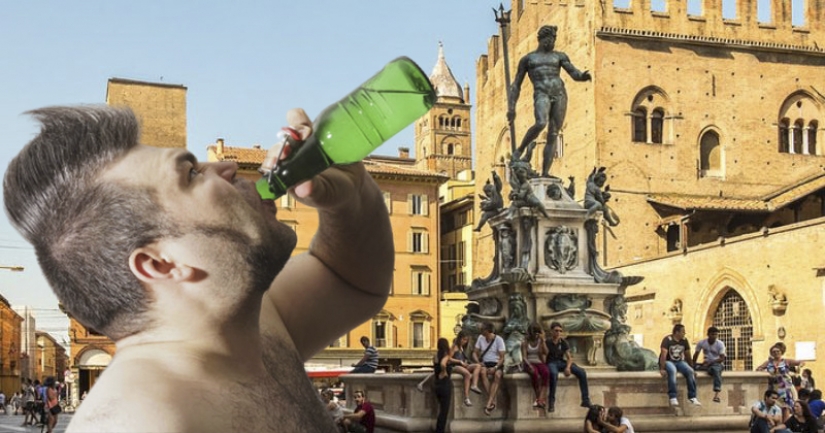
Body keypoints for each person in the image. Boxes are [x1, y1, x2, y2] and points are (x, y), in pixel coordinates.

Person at [3, 106, 393, 433]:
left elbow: (350, 279)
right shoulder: (142, 422)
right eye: (191, 173)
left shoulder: (252, 326)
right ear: (160, 263)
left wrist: (352, 195)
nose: (226, 165)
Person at [507, 25, 592, 178]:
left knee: (553, 133)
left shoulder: (559, 56)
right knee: (541, 122)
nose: (552, 42)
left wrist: (582, 76)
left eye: (554, 39)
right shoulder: (528, 59)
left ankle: (545, 172)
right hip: (541, 94)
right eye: (550, 38)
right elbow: (516, 85)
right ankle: (520, 149)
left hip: (560, 94)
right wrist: (512, 107)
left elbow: (573, 72)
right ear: (542, 39)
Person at [416, 330, 477, 407]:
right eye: (464, 339)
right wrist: (459, 362)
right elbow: (449, 358)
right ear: (460, 338)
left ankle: (422, 383)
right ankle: (466, 397)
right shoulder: (454, 347)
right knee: (466, 374)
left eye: (466, 340)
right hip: (454, 366)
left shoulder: (461, 348)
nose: (465, 341)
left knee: (436, 372)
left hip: (451, 368)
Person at [545, 321, 590, 412]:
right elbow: (543, 356)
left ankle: (585, 400)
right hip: (551, 362)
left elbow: (569, 358)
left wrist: (568, 367)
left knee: (581, 372)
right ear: (551, 331)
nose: (558, 333)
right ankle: (551, 401)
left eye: (560, 331)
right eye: (556, 331)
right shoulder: (547, 342)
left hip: (561, 362)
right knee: (553, 375)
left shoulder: (563, 342)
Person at [659, 323, 700, 406]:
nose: (684, 333)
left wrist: (692, 368)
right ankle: (673, 396)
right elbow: (663, 355)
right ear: (677, 332)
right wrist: (662, 368)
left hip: (680, 361)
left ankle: (692, 397)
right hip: (668, 361)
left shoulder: (684, 340)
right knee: (672, 371)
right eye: (683, 332)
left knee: (689, 371)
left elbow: (688, 356)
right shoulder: (667, 339)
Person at [757, 343, 804, 415]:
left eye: (778, 351)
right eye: (774, 352)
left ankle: (786, 424)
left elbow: (801, 362)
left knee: (785, 407)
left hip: (785, 386)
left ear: (781, 351)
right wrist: (765, 371)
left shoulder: (786, 361)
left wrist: (799, 366)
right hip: (773, 386)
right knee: (774, 406)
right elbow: (758, 369)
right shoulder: (768, 362)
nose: (776, 353)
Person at [471, 322, 506, 416]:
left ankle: (489, 403)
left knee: (498, 375)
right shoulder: (480, 338)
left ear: (488, 331)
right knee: (482, 372)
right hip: (484, 363)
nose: (481, 331)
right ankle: (492, 401)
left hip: (496, 363)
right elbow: (474, 353)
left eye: (483, 329)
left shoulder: (499, 340)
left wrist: (495, 367)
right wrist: (478, 362)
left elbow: (502, 358)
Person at [692, 326, 727, 403]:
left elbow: (722, 358)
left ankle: (717, 394)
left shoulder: (720, 344)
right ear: (708, 334)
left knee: (716, 370)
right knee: (690, 369)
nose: (714, 336)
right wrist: (692, 364)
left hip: (716, 364)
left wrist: (710, 363)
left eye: (716, 334)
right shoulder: (702, 343)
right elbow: (696, 354)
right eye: (712, 334)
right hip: (706, 365)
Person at [521, 322, 549, 409]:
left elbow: (546, 352)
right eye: (534, 332)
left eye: (538, 332)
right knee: (535, 374)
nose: (536, 335)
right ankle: (539, 398)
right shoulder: (525, 342)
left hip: (539, 362)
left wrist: (543, 341)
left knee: (546, 372)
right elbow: (524, 357)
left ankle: (540, 398)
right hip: (528, 362)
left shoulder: (540, 341)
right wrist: (529, 365)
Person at [433, 338, 453, 433]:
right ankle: (439, 431)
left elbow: (437, 365)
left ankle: (439, 430)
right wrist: (444, 372)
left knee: (441, 410)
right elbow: (443, 364)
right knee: (444, 412)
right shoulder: (446, 355)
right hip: (445, 384)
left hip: (437, 385)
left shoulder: (435, 355)